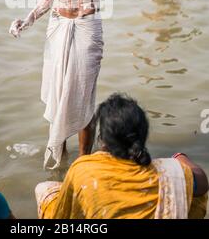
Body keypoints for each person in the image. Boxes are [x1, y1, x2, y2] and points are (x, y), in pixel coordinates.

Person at [9, 0, 139, 169]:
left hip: (85, 25)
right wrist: (28, 19)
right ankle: (60, 159)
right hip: (57, 24)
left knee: (82, 99)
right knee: (58, 96)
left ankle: (83, 165)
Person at [35, 93, 208, 219]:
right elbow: (202, 184)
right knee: (188, 195)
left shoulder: (83, 170)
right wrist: (179, 158)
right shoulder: (170, 172)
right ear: (143, 135)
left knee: (44, 189)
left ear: (102, 140)